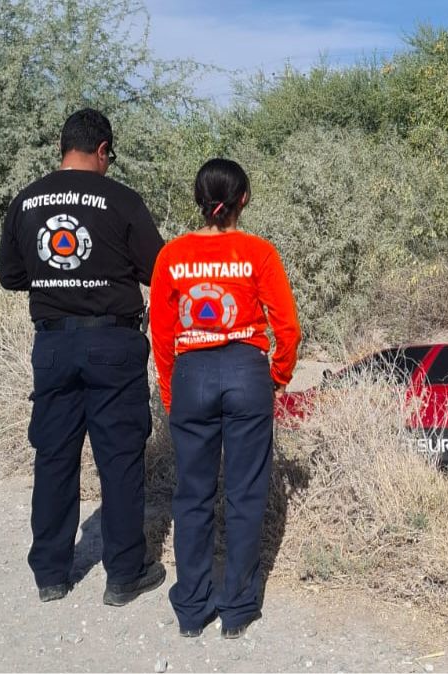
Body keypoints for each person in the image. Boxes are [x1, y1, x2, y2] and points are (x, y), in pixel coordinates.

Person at [0, 108, 166, 606]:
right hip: (113, 344)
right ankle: (123, 576)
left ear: (61, 148)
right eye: (109, 157)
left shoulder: (26, 200)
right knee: (118, 459)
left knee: (53, 457)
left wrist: (56, 282)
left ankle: (51, 573)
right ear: (102, 150)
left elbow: (11, 276)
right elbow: (157, 268)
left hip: (52, 345)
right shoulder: (121, 200)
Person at [149, 158, 301, 639]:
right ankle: (237, 607)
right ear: (244, 199)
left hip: (192, 374)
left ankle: (192, 610)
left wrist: (173, 391)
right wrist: (276, 376)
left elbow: (161, 333)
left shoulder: (171, 255)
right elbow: (287, 329)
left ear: (199, 199)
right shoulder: (258, 252)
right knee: (245, 491)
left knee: (192, 495)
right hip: (246, 373)